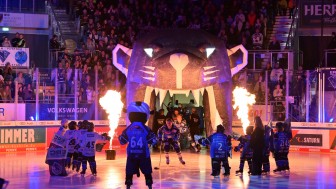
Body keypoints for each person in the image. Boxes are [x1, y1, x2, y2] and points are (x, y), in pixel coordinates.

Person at [118, 101, 157, 189]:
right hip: (144, 154)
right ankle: (149, 183)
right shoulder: (146, 129)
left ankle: (128, 183)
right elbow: (153, 141)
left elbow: (122, 141)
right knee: (147, 171)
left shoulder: (128, 129)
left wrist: (119, 137)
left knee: (129, 171)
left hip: (131, 154)